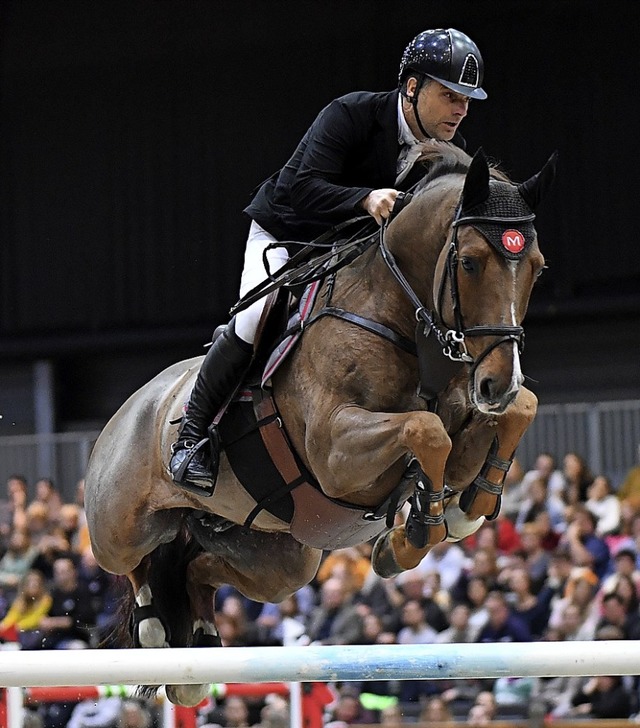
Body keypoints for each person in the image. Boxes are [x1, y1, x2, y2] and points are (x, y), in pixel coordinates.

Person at [168, 28, 488, 493]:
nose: (460, 109)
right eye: (449, 95)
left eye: (467, 100)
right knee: (255, 317)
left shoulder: (443, 155)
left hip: (349, 252)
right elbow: (302, 188)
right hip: (288, 233)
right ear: (412, 87)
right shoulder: (351, 114)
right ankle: (191, 438)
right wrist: (365, 199)